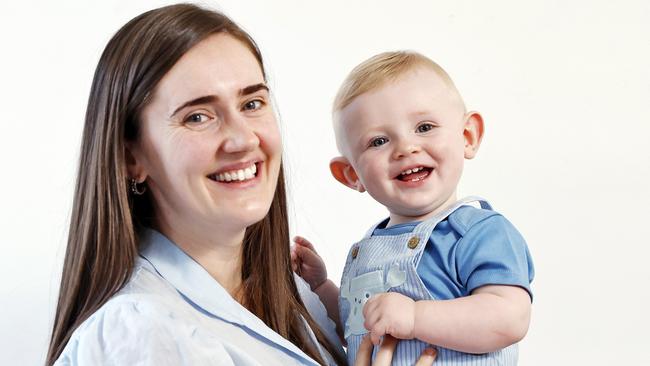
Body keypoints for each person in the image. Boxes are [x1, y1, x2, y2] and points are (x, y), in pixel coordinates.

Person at [45, 4, 350, 365]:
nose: (243, 139)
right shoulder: (142, 331)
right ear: (131, 159)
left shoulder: (299, 299)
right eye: (198, 116)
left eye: (252, 103)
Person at [292, 51, 535, 365]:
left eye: (424, 127)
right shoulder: (369, 248)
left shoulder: (478, 232)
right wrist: (321, 288)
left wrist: (416, 317)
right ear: (352, 174)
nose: (406, 148)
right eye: (379, 141)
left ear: (467, 136)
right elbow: (360, 328)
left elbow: (509, 318)